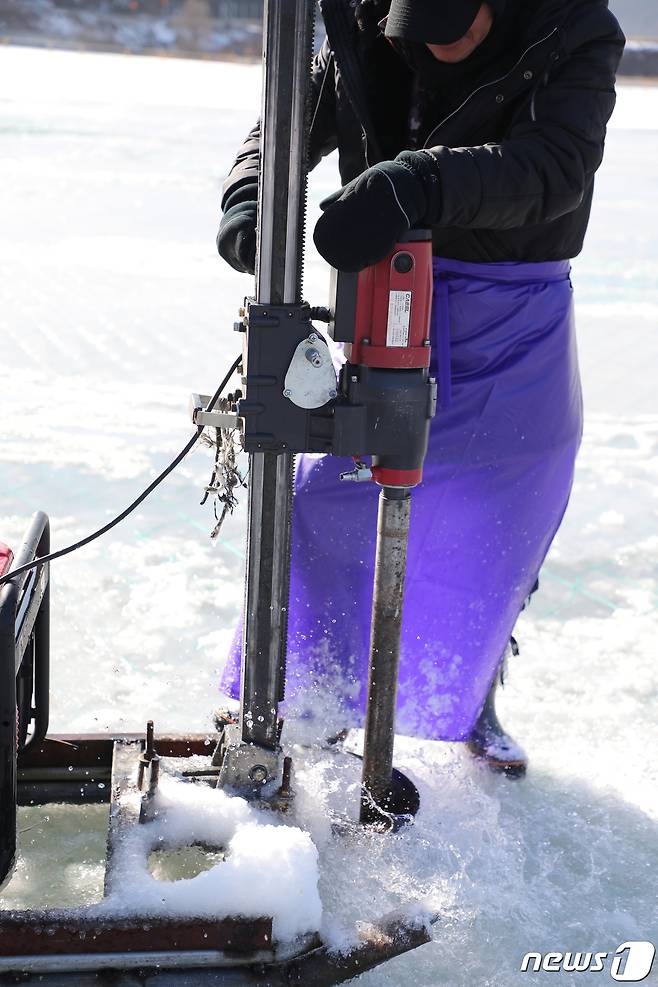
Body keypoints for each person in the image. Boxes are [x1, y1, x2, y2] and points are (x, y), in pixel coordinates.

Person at [216, 0, 625, 776]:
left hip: (514, 308)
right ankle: (311, 697)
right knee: (323, 500)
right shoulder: (365, 23)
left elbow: (554, 168)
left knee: (506, 512)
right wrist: (251, 191)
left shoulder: (573, 28)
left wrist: (418, 181)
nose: (440, 49)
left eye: (456, 29)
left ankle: (472, 696)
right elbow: (289, 120)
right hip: (395, 293)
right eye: (420, 36)